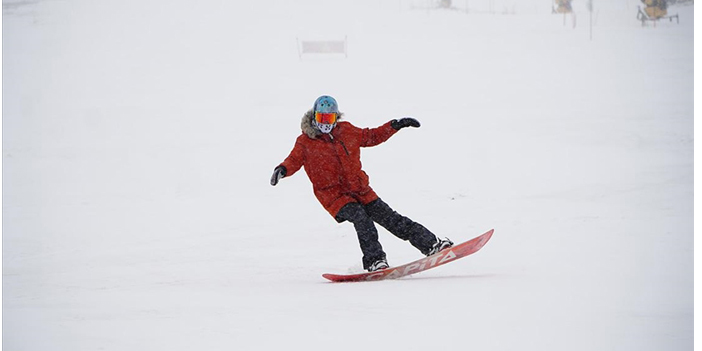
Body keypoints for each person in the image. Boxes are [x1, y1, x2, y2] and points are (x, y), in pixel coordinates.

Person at [270, 95, 453, 272]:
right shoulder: (305, 142)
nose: (325, 122)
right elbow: (293, 160)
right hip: (335, 197)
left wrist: (395, 125)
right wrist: (282, 170)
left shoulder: (347, 130)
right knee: (362, 219)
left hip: (361, 190)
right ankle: (375, 261)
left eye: (330, 117)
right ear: (314, 116)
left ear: (336, 117)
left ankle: (432, 245)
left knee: (392, 219)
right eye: (321, 117)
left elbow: (371, 136)